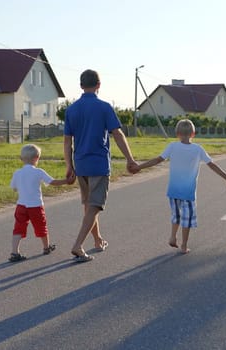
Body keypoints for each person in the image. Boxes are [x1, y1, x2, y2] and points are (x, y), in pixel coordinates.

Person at [64, 69, 138, 263]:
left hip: (80, 163)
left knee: (89, 205)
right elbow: (118, 134)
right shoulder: (104, 107)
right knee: (95, 205)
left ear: (81, 85)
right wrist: (130, 159)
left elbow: (67, 142)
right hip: (98, 163)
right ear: (99, 85)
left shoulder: (71, 110)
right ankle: (78, 245)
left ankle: (97, 240)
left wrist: (69, 166)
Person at [133, 119, 226, 254]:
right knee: (186, 219)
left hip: (173, 190)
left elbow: (158, 160)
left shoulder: (172, 146)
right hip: (188, 193)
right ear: (193, 134)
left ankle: (172, 236)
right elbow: (212, 165)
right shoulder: (198, 149)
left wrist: (139, 167)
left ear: (177, 133)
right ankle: (184, 245)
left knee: (176, 216)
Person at [9, 144, 72, 262]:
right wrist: (66, 181)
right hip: (35, 206)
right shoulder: (38, 172)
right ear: (37, 158)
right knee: (41, 226)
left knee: (18, 228)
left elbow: (14, 188)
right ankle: (46, 247)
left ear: (21, 159)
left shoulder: (17, 173)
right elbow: (52, 182)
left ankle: (14, 252)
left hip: (21, 205)